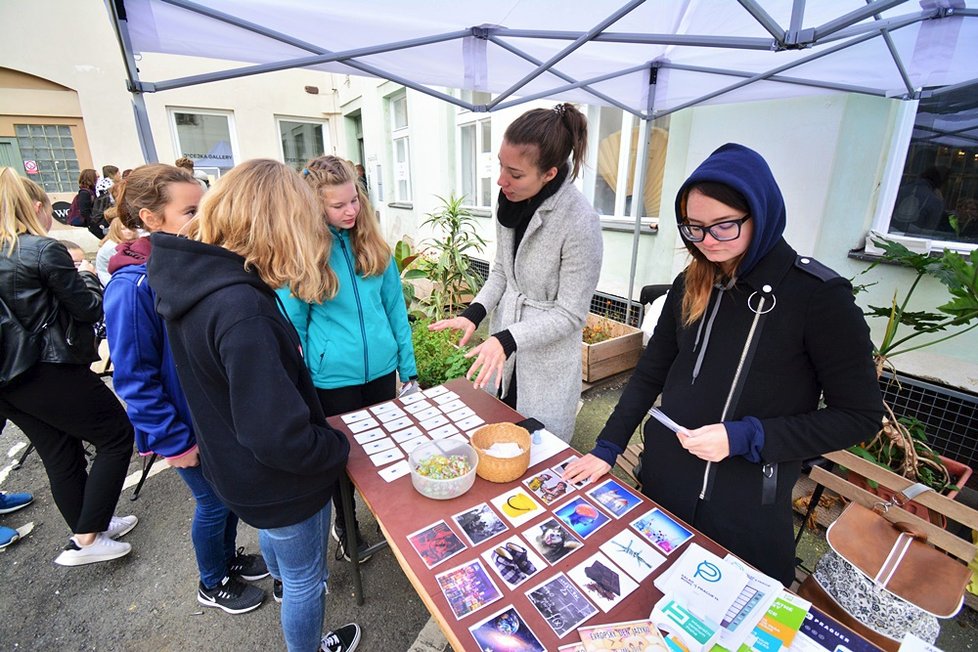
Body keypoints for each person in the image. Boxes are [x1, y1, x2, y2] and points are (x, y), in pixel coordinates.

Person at [564, 144, 884, 586]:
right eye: (693, 228)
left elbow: (859, 417)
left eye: (723, 226)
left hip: (745, 506)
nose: (707, 241)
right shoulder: (691, 281)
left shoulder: (817, 297)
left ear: (762, 214)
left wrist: (745, 436)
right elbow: (650, 373)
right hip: (663, 484)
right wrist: (607, 446)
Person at [147, 159, 361, 652]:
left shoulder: (195, 281)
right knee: (307, 581)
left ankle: (289, 601)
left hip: (238, 471)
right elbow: (278, 435)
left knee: (288, 563)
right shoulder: (241, 308)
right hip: (279, 483)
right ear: (279, 225)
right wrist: (333, 449)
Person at [103, 163, 268, 615]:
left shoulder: (185, 266)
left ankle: (226, 559)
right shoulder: (133, 286)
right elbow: (134, 379)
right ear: (151, 218)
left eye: (205, 207)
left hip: (209, 418)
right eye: (190, 211)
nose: (203, 220)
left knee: (225, 496)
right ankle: (211, 581)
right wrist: (174, 441)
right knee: (212, 503)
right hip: (184, 428)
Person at [429, 103, 603, 442]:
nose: (501, 180)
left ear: (549, 173)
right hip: (504, 349)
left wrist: (508, 339)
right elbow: (501, 272)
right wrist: (473, 314)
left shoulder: (580, 221)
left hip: (545, 363)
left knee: (539, 449)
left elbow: (570, 315)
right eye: (500, 166)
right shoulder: (509, 200)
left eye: (516, 173)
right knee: (498, 435)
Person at [278, 155, 418, 563]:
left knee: (386, 452)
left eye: (354, 200)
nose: (351, 211)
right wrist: (300, 386)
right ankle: (347, 523)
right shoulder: (304, 258)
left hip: (381, 373)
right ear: (315, 206)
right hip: (331, 380)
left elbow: (396, 312)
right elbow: (294, 329)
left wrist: (407, 370)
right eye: (338, 206)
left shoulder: (375, 248)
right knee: (343, 461)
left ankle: (390, 518)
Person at [0, 169, 136, 567]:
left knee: (59, 451)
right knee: (114, 435)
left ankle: (93, 526)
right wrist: (89, 278)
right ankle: (87, 536)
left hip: (9, 379)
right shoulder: (42, 250)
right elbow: (89, 308)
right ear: (38, 208)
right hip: (47, 367)